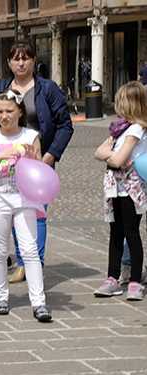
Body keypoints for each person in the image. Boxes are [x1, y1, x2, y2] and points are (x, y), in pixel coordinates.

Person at [0, 41, 73, 283]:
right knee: (11, 212)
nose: (21, 63)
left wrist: (49, 156)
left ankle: (32, 263)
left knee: (37, 213)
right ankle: (23, 260)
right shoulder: (1, 87)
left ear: (33, 61)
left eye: (26, 58)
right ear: (9, 62)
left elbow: (65, 125)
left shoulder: (47, 89)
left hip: (36, 163)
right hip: (5, 164)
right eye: (16, 59)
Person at [0, 89, 51, 321]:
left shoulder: (30, 136)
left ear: (20, 112)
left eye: (9, 111)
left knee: (29, 248)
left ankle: (38, 302)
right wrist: (1, 157)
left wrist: (32, 160)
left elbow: (39, 172)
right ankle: (0, 297)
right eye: (0, 112)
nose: (4, 116)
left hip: (24, 197)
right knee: (1, 250)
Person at [93, 82, 147, 300]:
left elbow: (117, 159)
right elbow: (99, 152)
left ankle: (135, 280)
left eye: (119, 102)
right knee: (115, 233)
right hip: (115, 188)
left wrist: (110, 155)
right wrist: (110, 155)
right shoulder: (120, 129)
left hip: (131, 190)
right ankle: (112, 278)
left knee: (131, 233)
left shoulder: (136, 130)